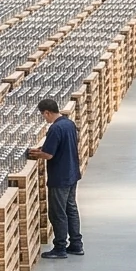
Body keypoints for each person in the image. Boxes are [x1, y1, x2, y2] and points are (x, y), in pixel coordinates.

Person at [30, 97, 82, 258]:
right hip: (72, 173)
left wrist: (36, 154)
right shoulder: (69, 123)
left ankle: (60, 248)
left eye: (43, 115)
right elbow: (64, 144)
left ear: (47, 112)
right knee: (71, 209)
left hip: (60, 177)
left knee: (57, 212)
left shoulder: (55, 128)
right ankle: (76, 244)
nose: (44, 118)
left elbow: (49, 155)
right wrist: (43, 148)